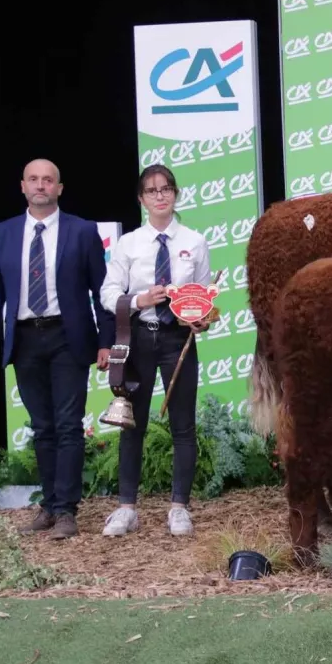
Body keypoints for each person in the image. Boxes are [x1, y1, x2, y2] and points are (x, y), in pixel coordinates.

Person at [0, 158, 114, 538]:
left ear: (59, 188)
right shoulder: (3, 233)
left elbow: (102, 291)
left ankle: (67, 510)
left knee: (69, 425)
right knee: (42, 427)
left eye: (48, 180)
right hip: (24, 339)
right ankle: (49, 506)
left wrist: (107, 341)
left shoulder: (82, 231)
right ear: (22, 186)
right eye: (34, 180)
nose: (40, 186)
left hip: (68, 337)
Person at [98, 164, 211, 537]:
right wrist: (139, 299)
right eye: (151, 190)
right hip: (139, 339)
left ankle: (179, 507)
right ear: (141, 199)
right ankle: (126, 507)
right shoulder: (129, 243)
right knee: (133, 424)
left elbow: (205, 295)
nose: (160, 195)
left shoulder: (194, 241)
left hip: (178, 341)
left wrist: (202, 318)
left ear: (175, 194)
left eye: (166, 189)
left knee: (183, 426)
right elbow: (107, 293)